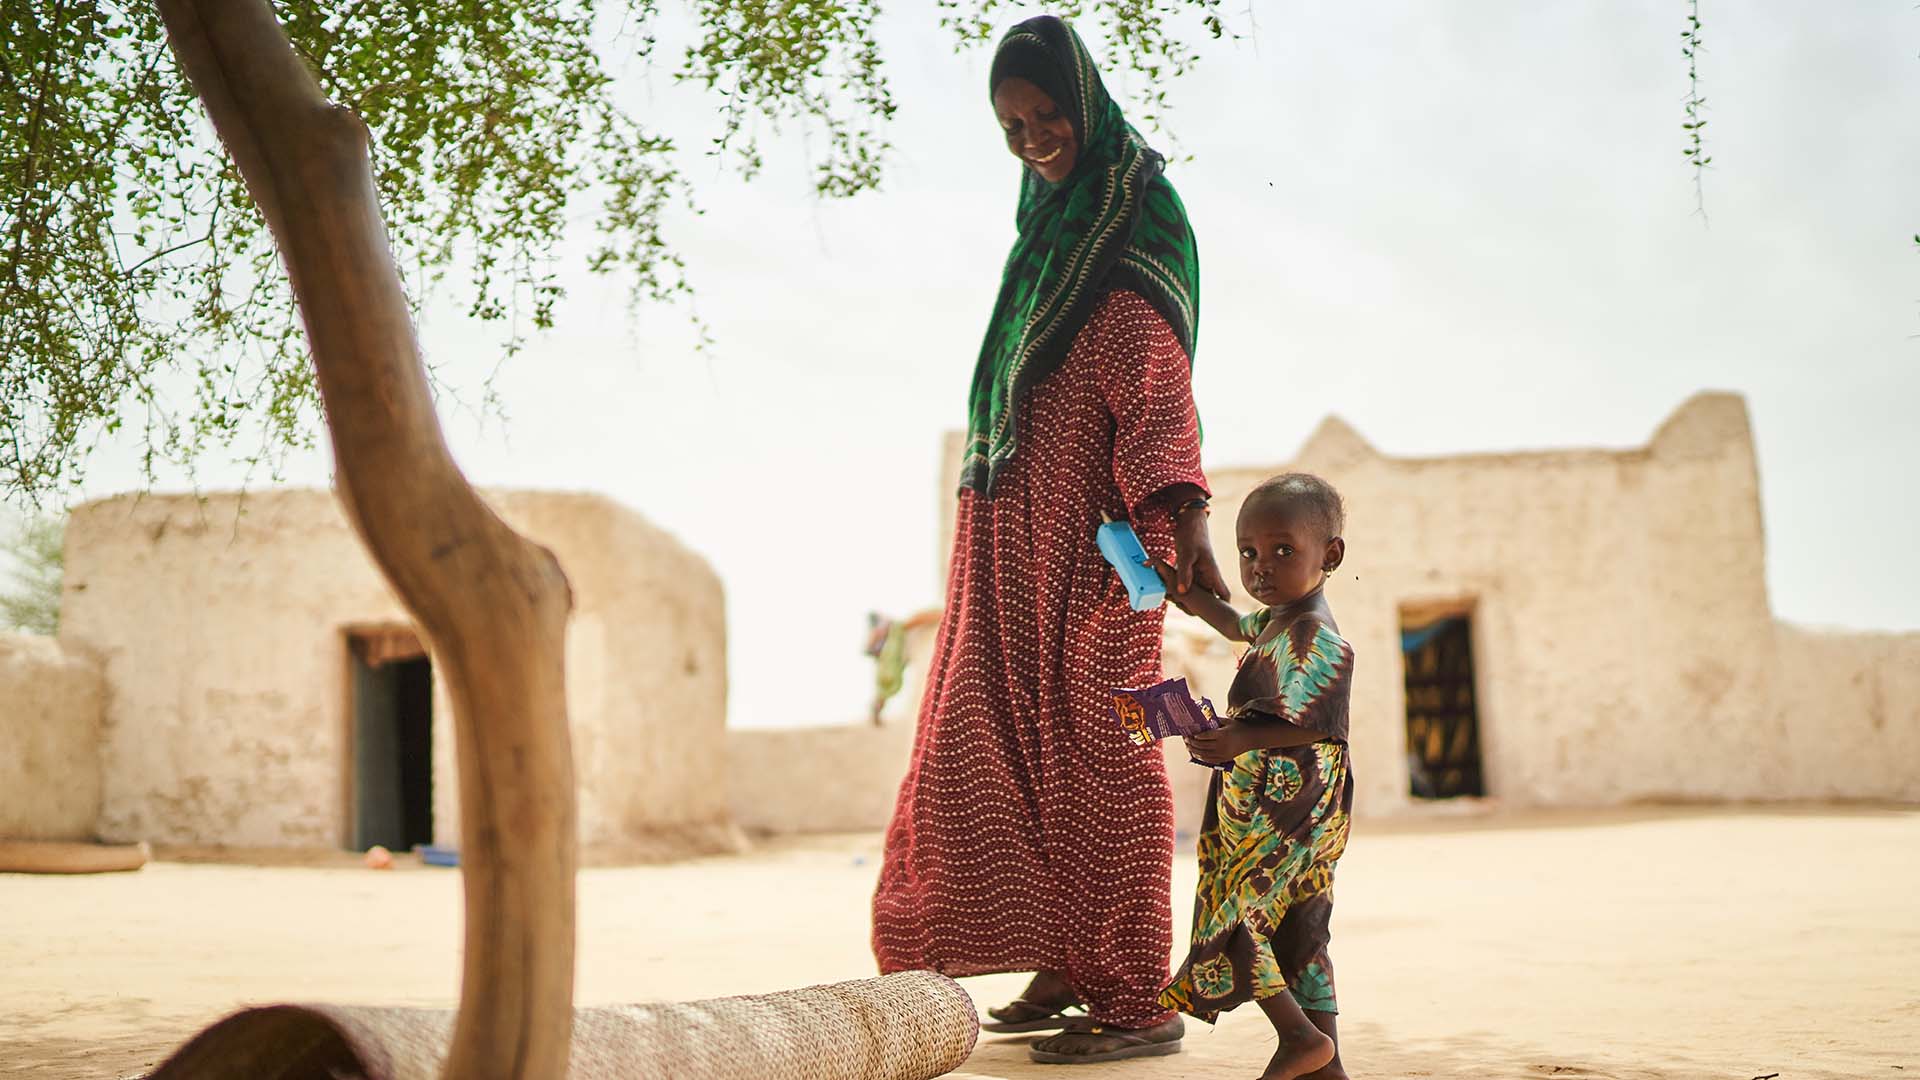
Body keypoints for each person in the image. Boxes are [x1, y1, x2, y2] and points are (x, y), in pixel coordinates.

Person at [870, 14, 1224, 1066]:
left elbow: (1159, 395)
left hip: (1110, 555)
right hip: (1008, 552)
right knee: (984, 745)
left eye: (1047, 114)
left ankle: (1135, 998)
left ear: (1088, 104)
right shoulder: (1042, 245)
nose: (1032, 138)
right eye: (1012, 124)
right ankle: (1069, 960)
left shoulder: (1129, 223)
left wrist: (1184, 527)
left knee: (1107, 748)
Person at [1154, 473, 1356, 1080]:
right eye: (1248, 552)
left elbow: (1319, 723)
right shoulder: (1276, 619)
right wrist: (1183, 594)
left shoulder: (1314, 634)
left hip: (1291, 805)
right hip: (1276, 798)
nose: (1261, 567)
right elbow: (1232, 622)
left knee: (1232, 909)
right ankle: (1328, 1066)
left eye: (1282, 551)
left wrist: (1239, 737)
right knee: (1300, 927)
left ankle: (1298, 1037)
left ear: (1332, 556)